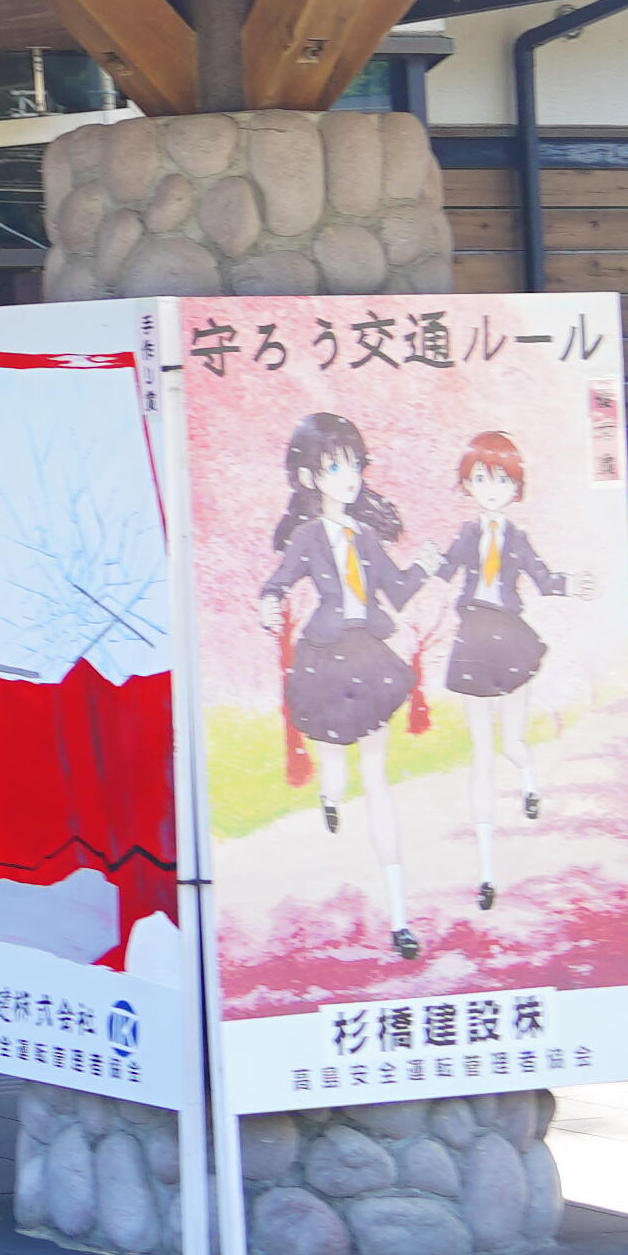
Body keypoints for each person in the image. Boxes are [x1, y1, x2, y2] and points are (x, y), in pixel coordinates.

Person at [258, 407, 432, 962]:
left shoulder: (366, 537)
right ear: (309, 478)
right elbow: (279, 580)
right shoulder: (309, 535)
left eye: (353, 465)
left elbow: (398, 593)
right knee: (334, 770)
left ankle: (399, 916)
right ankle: (330, 799)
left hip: (369, 656)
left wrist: (428, 566)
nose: (349, 477)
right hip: (325, 661)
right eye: (334, 467)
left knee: (376, 778)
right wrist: (269, 603)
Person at [438, 428, 572, 917]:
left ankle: (529, 781)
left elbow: (542, 577)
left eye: (500, 478)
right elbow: (443, 570)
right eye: (479, 477)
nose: (490, 487)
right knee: (481, 756)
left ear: (516, 486)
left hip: (511, 637)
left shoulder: (517, 537)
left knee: (511, 745)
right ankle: (487, 872)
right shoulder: (468, 534)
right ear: (468, 484)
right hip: (474, 637)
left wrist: (572, 584)